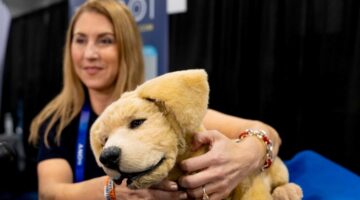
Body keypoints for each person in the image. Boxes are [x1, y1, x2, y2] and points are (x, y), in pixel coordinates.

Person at [28, 0, 282, 199]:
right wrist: (112, 192)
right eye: (80, 40)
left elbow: (266, 132)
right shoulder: (57, 121)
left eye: (105, 40)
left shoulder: (159, 105)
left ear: (126, 48)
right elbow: (50, 192)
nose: (90, 53)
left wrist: (243, 158)